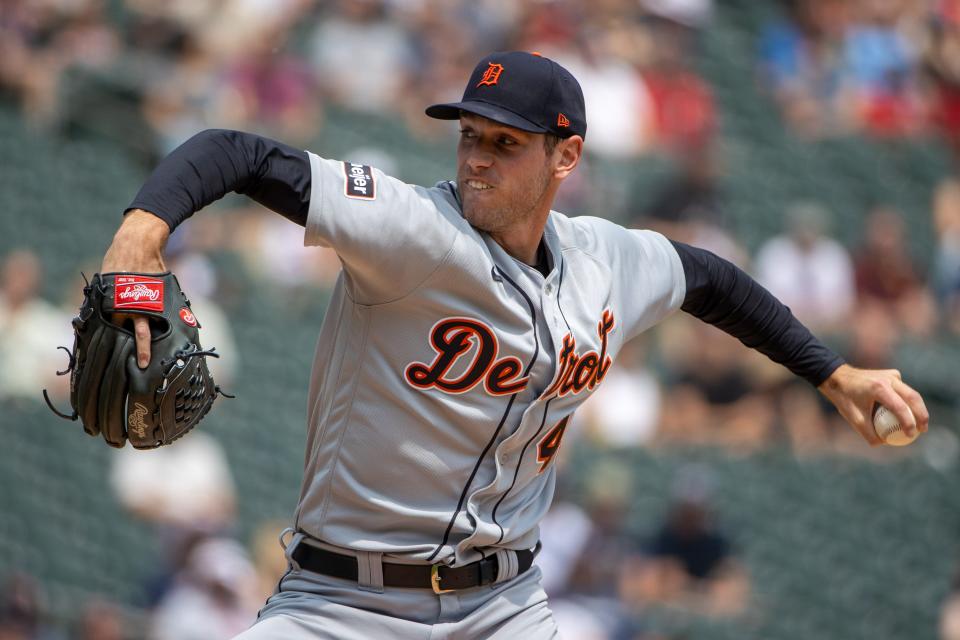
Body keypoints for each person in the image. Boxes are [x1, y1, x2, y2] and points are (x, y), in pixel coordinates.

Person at [97, 51, 928, 639]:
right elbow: (237, 152)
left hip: (507, 609)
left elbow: (711, 280)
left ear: (566, 155)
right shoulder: (411, 229)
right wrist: (142, 232)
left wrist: (835, 375)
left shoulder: (607, 260)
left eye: (506, 144)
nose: (477, 161)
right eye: (470, 136)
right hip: (339, 607)